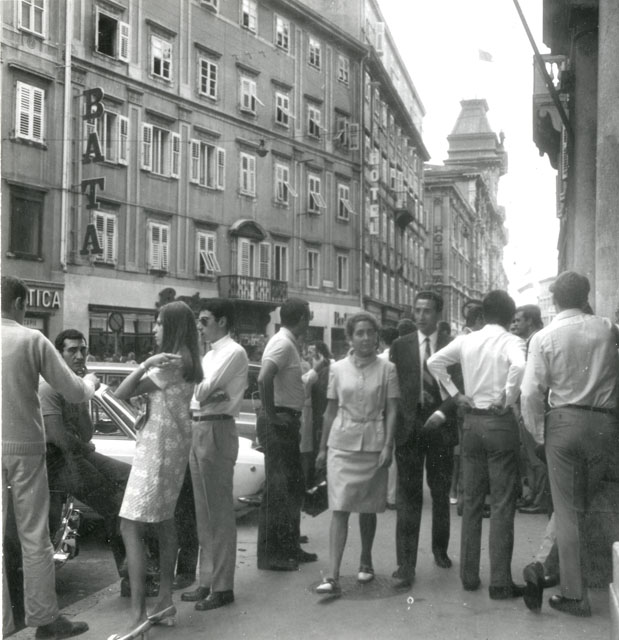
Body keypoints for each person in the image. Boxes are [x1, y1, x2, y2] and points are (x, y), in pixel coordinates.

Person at [1, 276, 98, 638]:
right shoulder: (31, 339)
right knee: (34, 536)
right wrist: (92, 385)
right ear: (19, 303)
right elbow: (73, 391)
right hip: (25, 447)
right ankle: (45, 620)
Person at [521, 271, 619, 617]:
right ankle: (542, 566)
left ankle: (575, 595)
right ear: (586, 297)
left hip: (563, 422)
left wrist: (538, 434)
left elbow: (529, 392)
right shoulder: (608, 329)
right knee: (578, 504)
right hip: (604, 424)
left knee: (566, 509)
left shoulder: (544, 337)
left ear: (555, 300)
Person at [428, 290, 527, 599]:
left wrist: (455, 394)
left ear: (483, 314)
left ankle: (469, 576)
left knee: (471, 501)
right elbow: (519, 367)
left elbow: (434, 361)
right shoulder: (512, 341)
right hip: (499, 423)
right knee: (502, 503)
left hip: (471, 423)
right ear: (510, 317)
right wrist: (508, 396)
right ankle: (500, 581)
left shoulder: (467, 340)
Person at [112, 301, 203, 635]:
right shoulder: (187, 359)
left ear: (174, 327)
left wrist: (144, 364)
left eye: (160, 323)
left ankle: (139, 614)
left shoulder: (170, 362)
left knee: (129, 525)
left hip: (158, 450)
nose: (154, 329)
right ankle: (164, 601)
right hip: (171, 447)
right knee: (164, 522)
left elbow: (121, 392)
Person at [39, 329, 136, 592]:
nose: (80, 355)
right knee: (113, 503)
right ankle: (131, 575)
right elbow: (58, 437)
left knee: (131, 477)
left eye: (83, 350)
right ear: (59, 355)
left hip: (77, 453)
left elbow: (86, 432)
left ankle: (135, 567)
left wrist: (83, 395)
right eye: (72, 350)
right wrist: (84, 446)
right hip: (58, 460)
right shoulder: (49, 387)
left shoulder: (76, 386)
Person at [314, 312, 399, 595]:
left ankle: (366, 560)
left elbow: (393, 410)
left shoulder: (388, 369)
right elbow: (329, 411)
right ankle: (332, 575)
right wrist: (322, 448)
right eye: (359, 333)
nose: (365, 338)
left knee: (368, 506)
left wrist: (388, 445)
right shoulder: (337, 369)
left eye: (370, 333)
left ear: (377, 337)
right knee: (339, 507)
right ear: (350, 338)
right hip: (341, 443)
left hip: (374, 443)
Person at [389, 291, 463, 589]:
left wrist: (443, 413)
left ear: (438, 314)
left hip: (441, 425)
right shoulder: (401, 345)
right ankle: (405, 564)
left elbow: (460, 385)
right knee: (408, 497)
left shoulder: (453, 346)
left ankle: (440, 550)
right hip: (410, 427)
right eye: (417, 310)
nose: (420, 316)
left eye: (427, 311)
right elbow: (395, 387)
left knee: (440, 492)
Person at [180, 299, 249, 612]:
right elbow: (198, 392)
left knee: (219, 512)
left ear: (222, 321)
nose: (199, 326)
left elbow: (199, 391)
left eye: (205, 320)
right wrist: (206, 391)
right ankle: (207, 581)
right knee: (203, 511)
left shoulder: (234, 352)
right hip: (199, 426)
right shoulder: (208, 355)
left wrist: (206, 391)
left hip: (217, 428)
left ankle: (222, 587)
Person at [256, 298, 318, 571]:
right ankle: (272, 555)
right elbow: (263, 377)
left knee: (292, 487)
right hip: (279, 420)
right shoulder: (282, 343)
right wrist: (271, 414)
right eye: (309, 316)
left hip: (288, 419)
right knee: (278, 490)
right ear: (303, 318)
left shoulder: (288, 343)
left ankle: (290, 546)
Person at [510, 305, 550, 515]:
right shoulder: (527, 342)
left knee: (536, 455)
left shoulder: (536, 341)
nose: (514, 324)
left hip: (532, 407)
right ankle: (534, 494)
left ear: (530, 321)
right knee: (529, 455)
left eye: (518, 320)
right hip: (525, 406)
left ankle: (540, 498)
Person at [300, 341, 331, 490]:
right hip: (308, 415)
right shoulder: (308, 367)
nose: (308, 355)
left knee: (310, 451)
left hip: (315, 415)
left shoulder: (324, 370)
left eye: (312, 352)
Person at [378, 327, 400, 508]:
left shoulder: (379, 360)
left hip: (379, 410)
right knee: (392, 453)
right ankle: (392, 496)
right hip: (397, 408)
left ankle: (380, 493)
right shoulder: (401, 358)